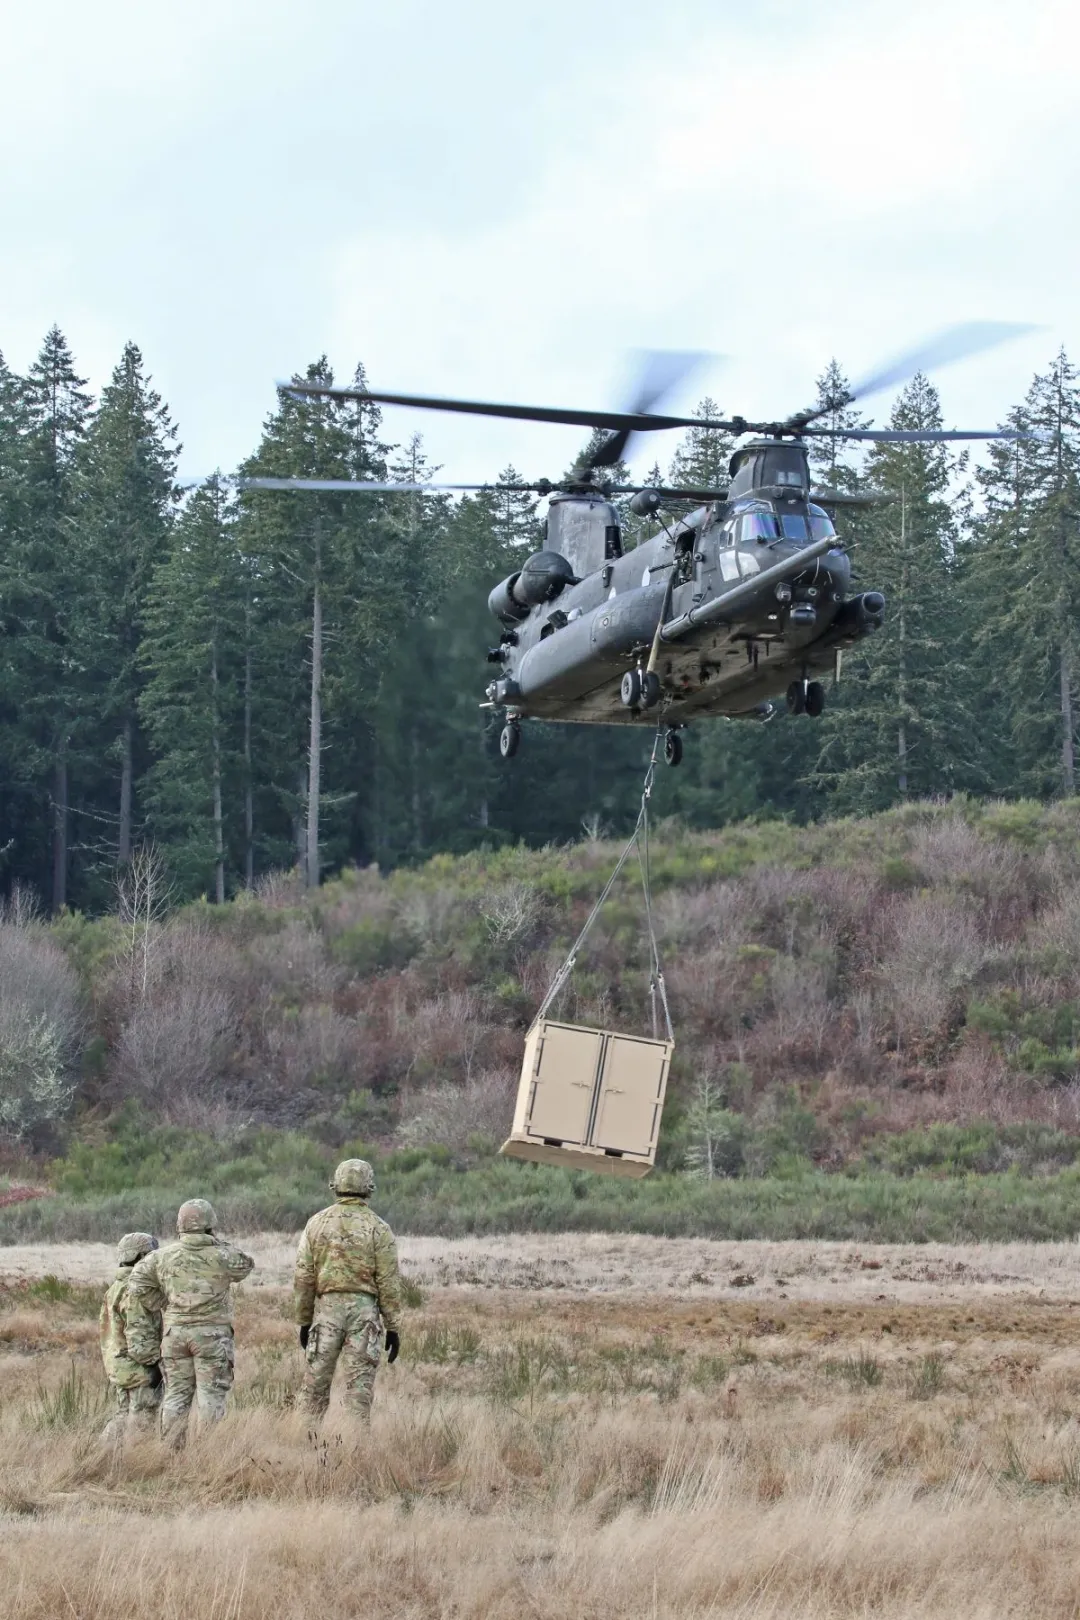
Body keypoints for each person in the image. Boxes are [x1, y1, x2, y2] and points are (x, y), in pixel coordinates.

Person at [126, 1198, 254, 1448]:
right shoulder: (223, 1254)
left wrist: (164, 1303)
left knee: (176, 1395)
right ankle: (208, 1455)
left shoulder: (162, 1257)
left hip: (176, 1335)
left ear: (180, 1224)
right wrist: (215, 1241)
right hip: (212, 1337)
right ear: (210, 1224)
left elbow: (136, 1282)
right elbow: (246, 1265)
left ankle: (171, 1452)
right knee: (212, 1396)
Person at [294, 1158, 402, 1422]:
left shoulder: (316, 1224)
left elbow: (304, 1277)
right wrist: (394, 1326)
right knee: (359, 1394)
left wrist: (304, 1321)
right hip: (364, 1316)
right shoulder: (379, 1228)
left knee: (313, 1391)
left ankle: (306, 1448)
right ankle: (357, 1451)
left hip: (327, 1313)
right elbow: (388, 1282)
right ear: (369, 1187)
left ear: (335, 1185)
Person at [99, 1231, 162, 1443]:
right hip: (139, 1370)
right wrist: (156, 1368)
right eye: (152, 1256)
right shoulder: (135, 1291)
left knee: (122, 1417)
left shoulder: (114, 1288)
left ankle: (102, 1459)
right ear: (141, 1258)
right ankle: (138, 1464)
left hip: (119, 1367)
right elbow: (140, 1340)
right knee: (142, 1423)